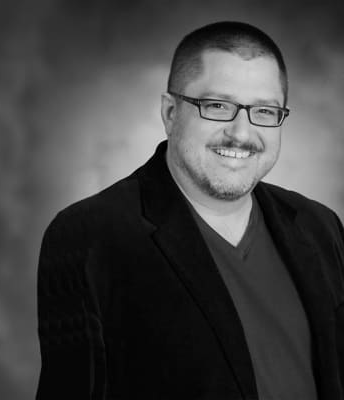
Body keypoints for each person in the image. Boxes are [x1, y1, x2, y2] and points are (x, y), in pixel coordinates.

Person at [36, 21, 344, 400]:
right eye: (217, 106)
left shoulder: (319, 226)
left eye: (265, 111)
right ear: (170, 112)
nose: (241, 133)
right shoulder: (88, 236)